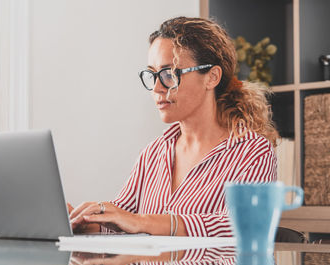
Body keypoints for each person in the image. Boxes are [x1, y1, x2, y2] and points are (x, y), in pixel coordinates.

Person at [69, 16, 278, 238]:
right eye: (153, 74)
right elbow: (123, 220)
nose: (157, 88)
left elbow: (242, 226)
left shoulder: (253, 152)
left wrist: (142, 221)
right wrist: (82, 221)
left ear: (212, 77)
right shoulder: (154, 153)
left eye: (169, 74)